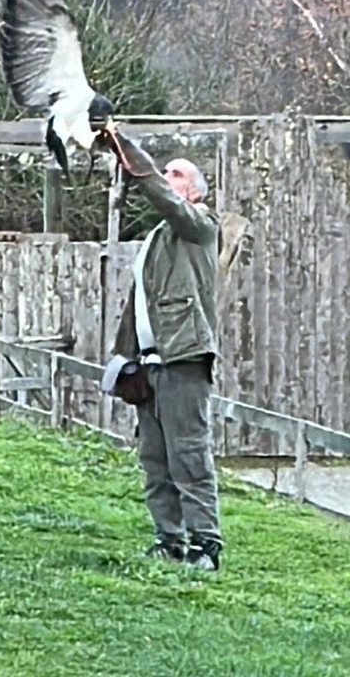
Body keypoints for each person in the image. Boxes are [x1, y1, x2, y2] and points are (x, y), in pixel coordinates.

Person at [101, 127, 223, 571]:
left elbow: (168, 202)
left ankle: (206, 544)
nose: (167, 177)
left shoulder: (201, 225)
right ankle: (168, 539)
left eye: (176, 174)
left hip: (183, 358)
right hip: (150, 364)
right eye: (166, 171)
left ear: (193, 191)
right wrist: (126, 358)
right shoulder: (159, 236)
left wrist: (136, 158)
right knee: (155, 459)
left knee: (188, 455)